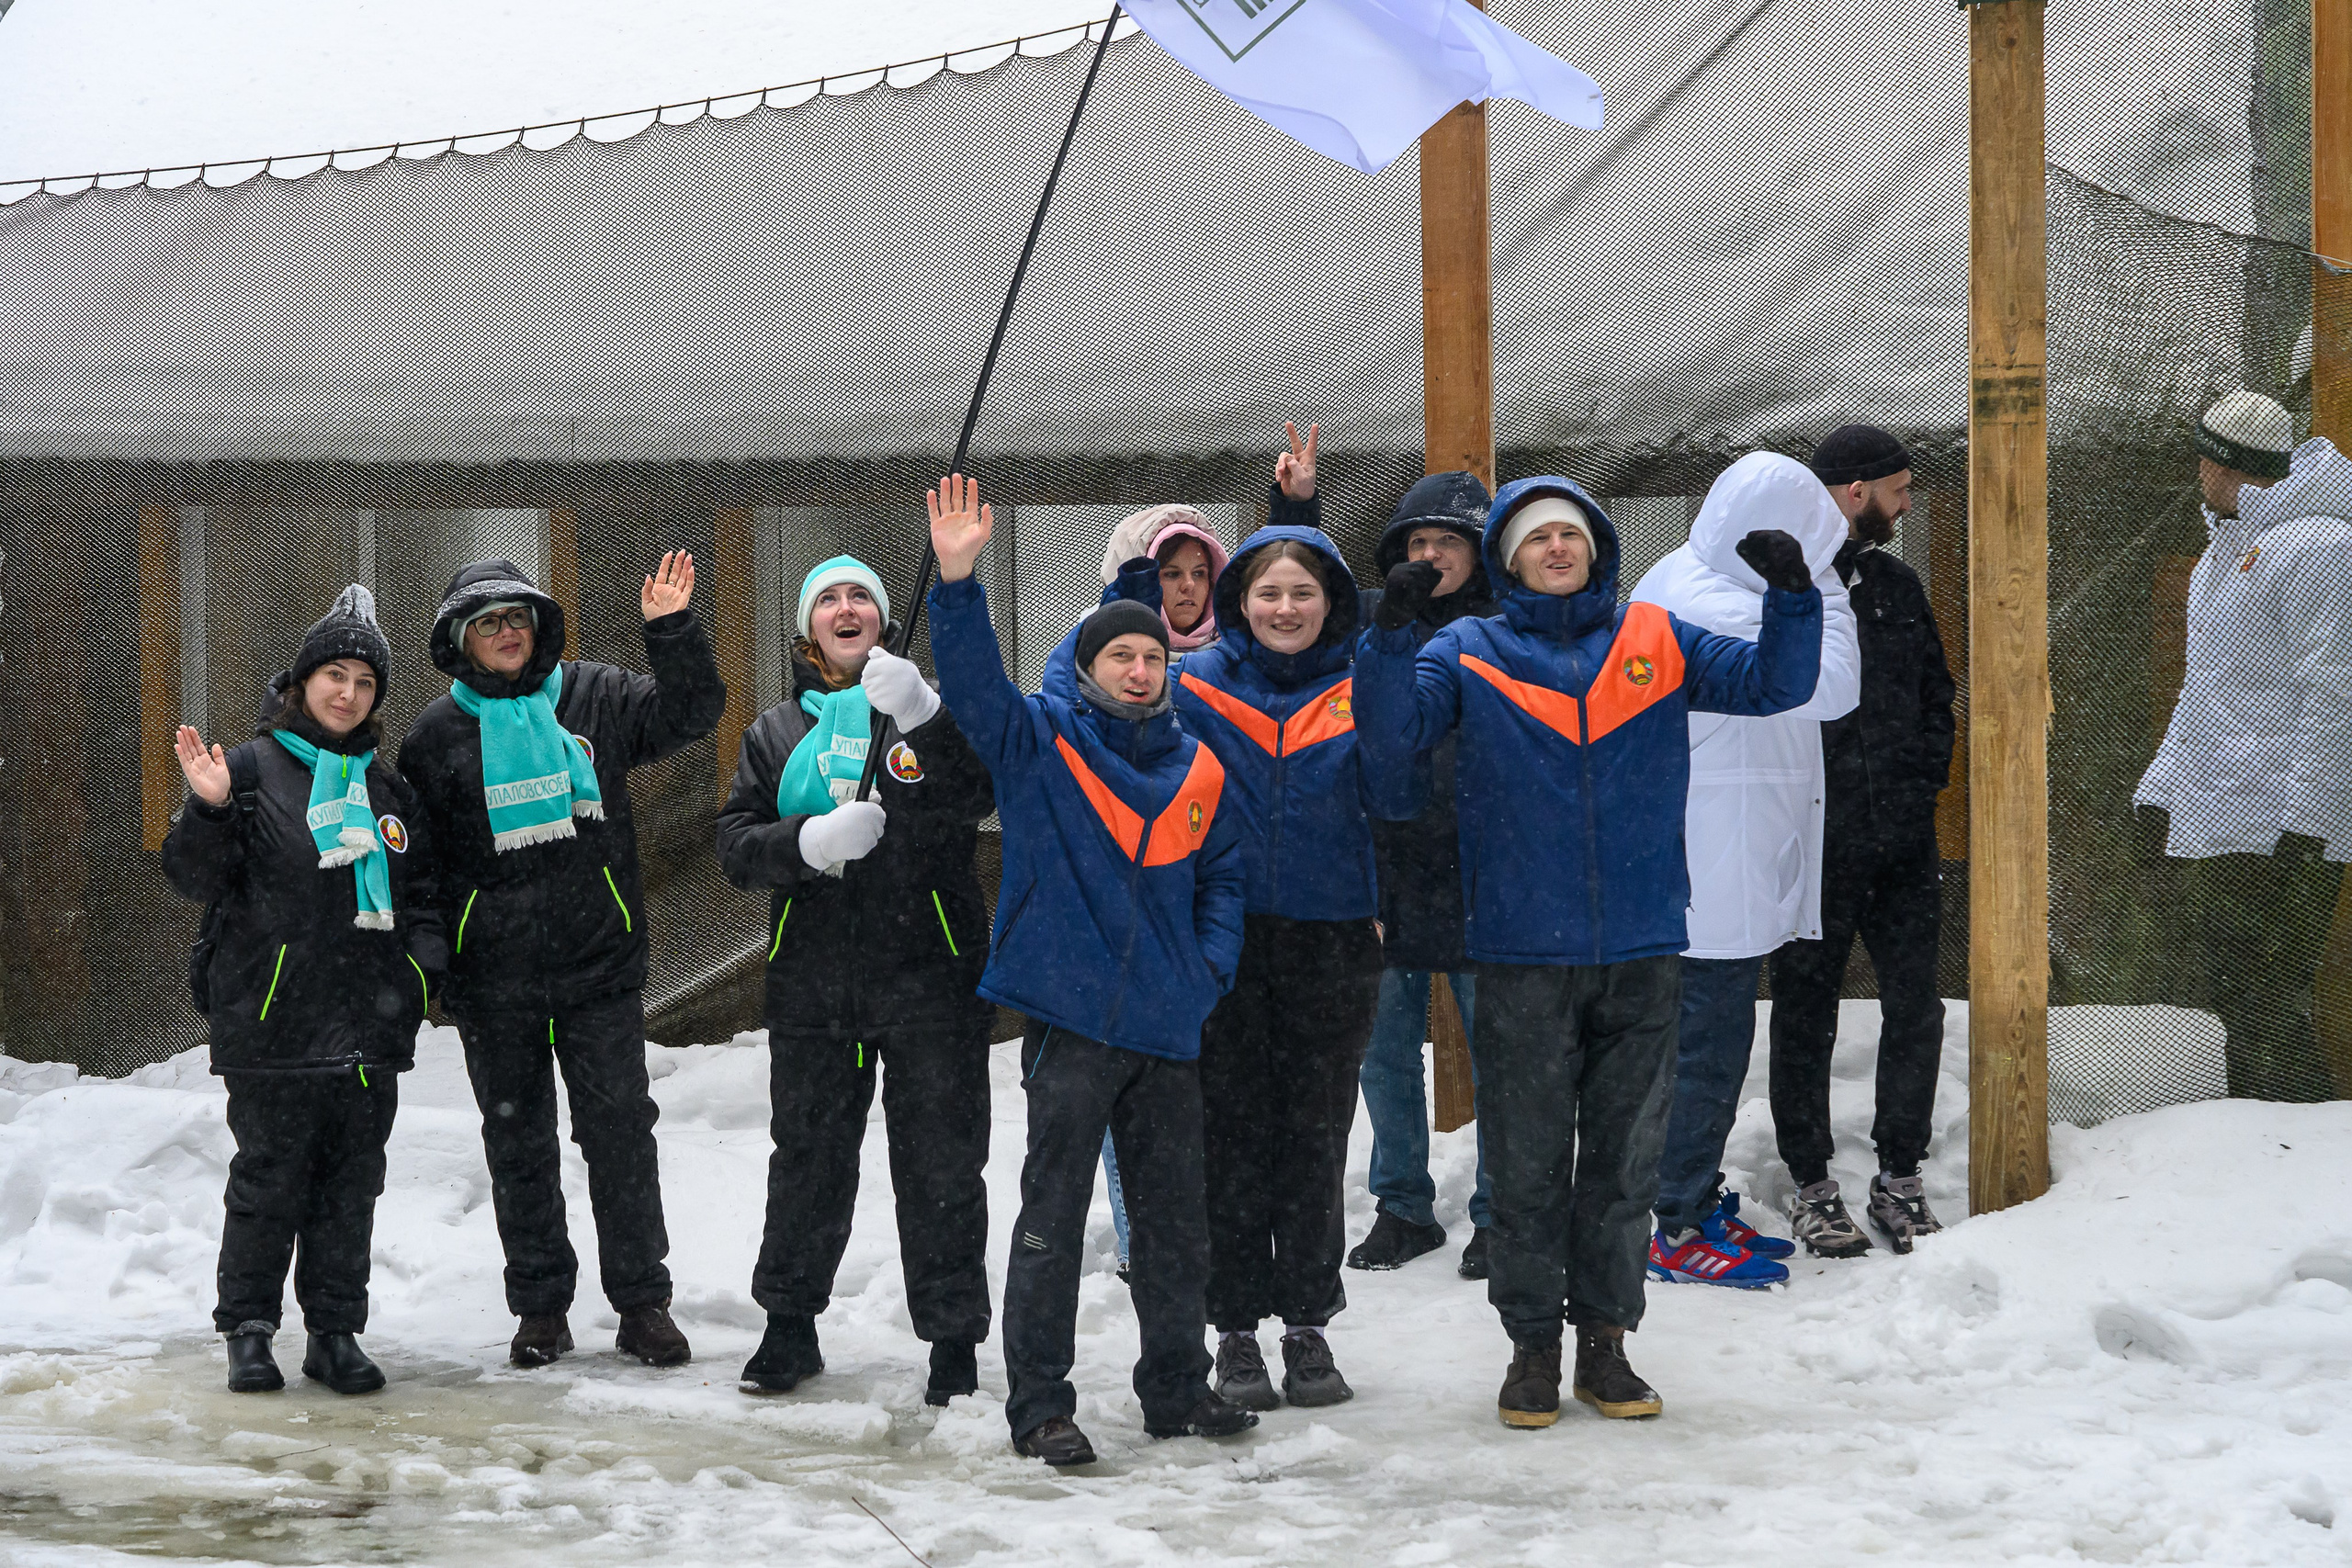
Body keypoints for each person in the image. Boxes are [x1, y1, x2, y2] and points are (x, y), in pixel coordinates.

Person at [1354, 477, 1824, 1429]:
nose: (1557, 548)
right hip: (1522, 949)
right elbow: (1391, 736)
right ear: (1509, 558)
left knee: (1623, 1163)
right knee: (1526, 1164)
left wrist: (1792, 598)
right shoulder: (1469, 648)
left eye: (1570, 533)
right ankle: (1531, 1347)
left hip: (1642, 944)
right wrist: (1390, 640)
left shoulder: (1655, 637)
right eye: (1536, 539)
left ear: (1597, 548)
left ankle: (1605, 1342)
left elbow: (1776, 685)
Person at [924, 473, 1259, 1467]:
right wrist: (956, 584)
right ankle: (1040, 1405)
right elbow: (974, 689)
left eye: (1153, 656)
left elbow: (1223, 877)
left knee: (1173, 1226)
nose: (1141, 670)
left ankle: (1177, 1389)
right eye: (1121, 655)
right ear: (1086, 664)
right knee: (1053, 1221)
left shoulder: (1198, 768)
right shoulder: (1040, 741)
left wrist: (1206, 970)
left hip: (1168, 1027)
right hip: (1069, 1024)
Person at [1102, 423, 1385, 1412]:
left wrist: (1297, 519)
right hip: (1218, 943)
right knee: (1223, 1136)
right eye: (1266, 593)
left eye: (1304, 592)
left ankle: (1306, 1322)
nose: (1285, 607)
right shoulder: (1194, 685)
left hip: (1333, 941)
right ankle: (1231, 1329)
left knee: (1313, 1135)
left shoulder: (1362, 685)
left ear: (1331, 602)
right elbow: (1103, 703)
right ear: (1237, 604)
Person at [398, 553, 725, 1370]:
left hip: (597, 968)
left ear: (539, 626)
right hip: (493, 982)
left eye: (518, 617)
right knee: (519, 1144)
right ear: (460, 639)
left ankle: (643, 1304)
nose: (507, 632)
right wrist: (439, 966)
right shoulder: (433, 738)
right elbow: (422, 869)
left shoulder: (596, 696)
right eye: (488, 622)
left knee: (620, 1135)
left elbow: (692, 712)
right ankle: (541, 1307)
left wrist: (672, 632)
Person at [715, 556, 997, 1404]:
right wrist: (807, 842)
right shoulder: (774, 732)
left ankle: (953, 1337)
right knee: (808, 1158)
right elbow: (736, 846)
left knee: (943, 1162)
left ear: (883, 620)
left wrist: (924, 716)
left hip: (931, 979)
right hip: (813, 985)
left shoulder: (924, 709)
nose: (846, 609)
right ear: (809, 627)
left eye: (861, 597)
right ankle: (788, 1325)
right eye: (829, 599)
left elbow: (982, 791)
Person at [161, 586, 446, 1395]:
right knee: (269, 1183)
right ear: (303, 680)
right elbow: (192, 877)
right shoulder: (250, 770)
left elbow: (423, 896)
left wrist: (417, 974)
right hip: (272, 1024)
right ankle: (249, 1332)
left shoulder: (387, 791)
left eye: (364, 681)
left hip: (368, 1031)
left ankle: (335, 1332)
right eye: (335, 675)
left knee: (350, 1189)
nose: (348, 693)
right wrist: (210, 810)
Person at [1631, 452, 1860, 1287]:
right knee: (1705, 1051)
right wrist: (1809, 592)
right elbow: (1827, 684)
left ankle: (1683, 1197)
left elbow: (1828, 681)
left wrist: (1803, 591)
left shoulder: (1677, 579)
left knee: (1707, 1045)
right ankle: (1675, 1221)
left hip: (1731, 854)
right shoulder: (1694, 597)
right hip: (1710, 864)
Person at [1768, 425, 1957, 1257]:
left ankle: (1900, 1174)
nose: (1907, 503)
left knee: (1916, 1004)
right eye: (1900, 489)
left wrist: (1919, 784)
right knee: (1805, 1009)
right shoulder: (1785, 587)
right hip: (1815, 842)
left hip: (1903, 843)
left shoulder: (1894, 584)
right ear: (1857, 492)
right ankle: (1811, 1183)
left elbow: (1936, 693)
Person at [2134, 391, 2352, 1101]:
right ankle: (2257, 1144)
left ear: (2226, 465)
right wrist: (2159, 793)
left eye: (2205, 458)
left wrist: (2310, 825)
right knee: (2238, 999)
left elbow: (2337, 696)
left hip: (2284, 827)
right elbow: (2206, 692)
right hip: (2231, 818)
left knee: (2271, 999)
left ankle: (2306, 1144)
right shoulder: (2225, 553)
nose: (2198, 472)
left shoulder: (2321, 547)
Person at [1337, 469, 1500, 1279]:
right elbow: (1290, 592)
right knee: (1384, 1051)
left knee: (1502, 1054)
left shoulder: (1509, 626)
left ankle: (1502, 1211)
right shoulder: (1373, 620)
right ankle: (1401, 1205)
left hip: (1485, 873)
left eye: (1447, 541)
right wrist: (1296, 508)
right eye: (1417, 541)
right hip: (1386, 869)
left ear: (1481, 550)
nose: (1431, 555)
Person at [1101, 502, 1232, 651]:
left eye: (1199, 573)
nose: (1189, 584)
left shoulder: (1239, 652)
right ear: (1140, 581)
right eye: (1172, 574)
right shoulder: (1098, 651)